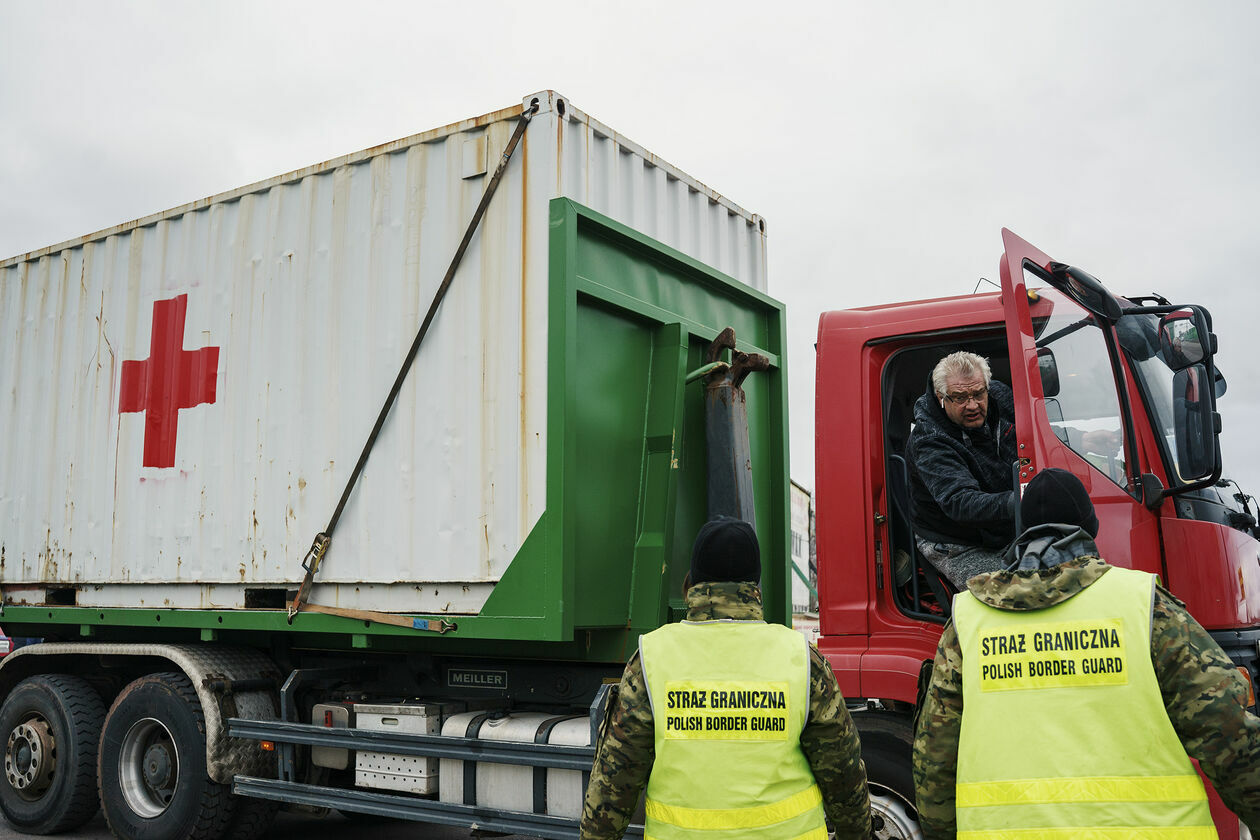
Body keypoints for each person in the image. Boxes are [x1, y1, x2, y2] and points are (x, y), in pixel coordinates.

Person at [912, 468, 1260, 838]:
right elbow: (1227, 731)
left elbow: (934, 757)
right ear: (1089, 529)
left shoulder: (969, 620)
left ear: (1021, 531)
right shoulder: (1143, 606)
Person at [580, 516, 873, 840]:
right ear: (754, 585)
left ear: (693, 581)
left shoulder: (652, 659)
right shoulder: (802, 659)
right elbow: (843, 776)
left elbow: (614, 782)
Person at [906, 351, 1019, 587]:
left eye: (978, 394)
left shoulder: (999, 395)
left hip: (1005, 523)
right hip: (957, 540)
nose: (972, 405)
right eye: (960, 398)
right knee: (1008, 595)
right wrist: (1022, 500)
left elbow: (1035, 433)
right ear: (940, 397)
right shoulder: (928, 439)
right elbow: (960, 502)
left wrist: (1085, 438)